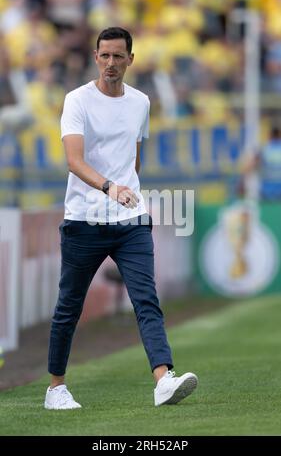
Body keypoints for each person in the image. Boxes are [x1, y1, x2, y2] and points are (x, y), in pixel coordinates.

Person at [44, 27, 198, 410]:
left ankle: (163, 379)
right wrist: (110, 186)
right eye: (105, 56)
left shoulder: (141, 102)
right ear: (96, 57)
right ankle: (56, 388)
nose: (111, 63)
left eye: (118, 56)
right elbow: (74, 160)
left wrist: (128, 191)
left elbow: (134, 156)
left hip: (131, 221)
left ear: (131, 59)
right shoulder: (76, 100)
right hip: (83, 220)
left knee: (146, 299)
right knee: (69, 307)